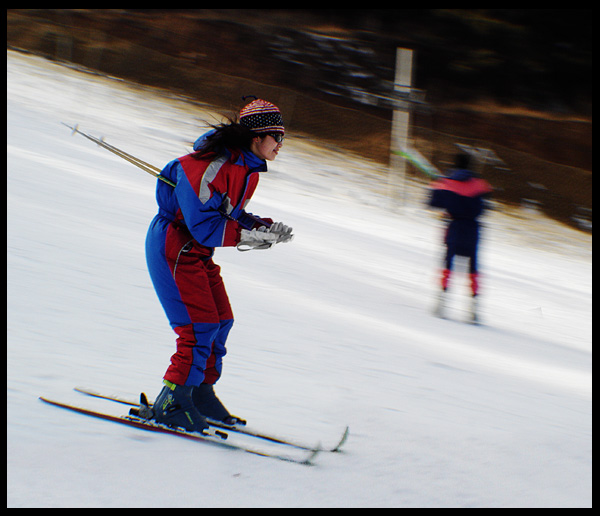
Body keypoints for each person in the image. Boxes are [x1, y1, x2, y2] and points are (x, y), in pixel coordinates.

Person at [145, 97, 293, 432]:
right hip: (175, 246)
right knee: (199, 329)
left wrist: (262, 227)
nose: (282, 145)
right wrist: (249, 237)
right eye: (277, 137)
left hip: (198, 251)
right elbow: (204, 227)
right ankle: (171, 399)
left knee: (221, 320)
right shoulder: (205, 167)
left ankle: (198, 392)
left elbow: (230, 213)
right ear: (257, 137)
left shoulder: (247, 170)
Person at [428, 152, 492, 323]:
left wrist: (435, 185)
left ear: (455, 164)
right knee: (473, 268)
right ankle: (474, 310)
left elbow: (433, 202)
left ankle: (441, 304)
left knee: (448, 264)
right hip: (473, 229)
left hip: (454, 227)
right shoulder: (480, 184)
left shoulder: (447, 182)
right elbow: (486, 208)